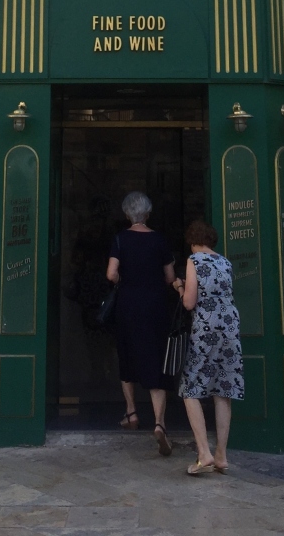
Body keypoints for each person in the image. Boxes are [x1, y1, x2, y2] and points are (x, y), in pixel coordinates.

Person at [106, 191, 176, 456]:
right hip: (155, 306)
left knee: (127, 355)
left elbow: (111, 273)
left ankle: (131, 413)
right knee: (156, 358)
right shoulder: (159, 240)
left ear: (127, 214)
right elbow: (169, 277)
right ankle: (159, 423)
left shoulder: (120, 239)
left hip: (128, 305)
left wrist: (123, 281)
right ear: (148, 213)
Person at [174, 219, 244, 476]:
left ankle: (204, 453)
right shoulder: (225, 262)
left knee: (190, 387)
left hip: (207, 327)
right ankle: (221, 455)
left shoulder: (195, 261)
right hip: (230, 326)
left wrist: (179, 287)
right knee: (223, 389)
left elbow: (189, 302)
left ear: (193, 241)